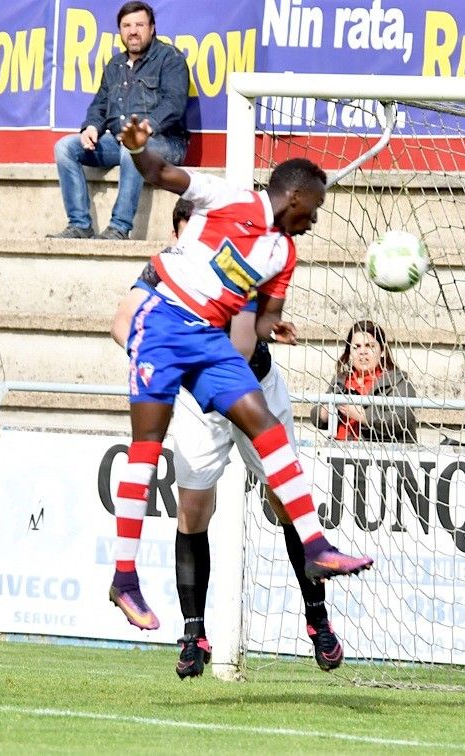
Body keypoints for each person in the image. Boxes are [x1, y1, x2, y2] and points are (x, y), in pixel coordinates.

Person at [106, 114, 373, 635]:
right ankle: (124, 577)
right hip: (162, 322)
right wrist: (138, 149)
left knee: (265, 424)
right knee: (146, 448)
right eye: (314, 210)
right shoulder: (227, 198)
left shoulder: (284, 252)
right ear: (295, 197)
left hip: (209, 339)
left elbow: (267, 314)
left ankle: (316, 546)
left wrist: (275, 329)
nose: (315, 221)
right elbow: (162, 173)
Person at [111, 200, 345, 679]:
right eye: (183, 231)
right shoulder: (163, 271)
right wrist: (158, 351)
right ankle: (193, 632)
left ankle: (316, 616)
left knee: (285, 502)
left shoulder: (238, 265)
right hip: (201, 406)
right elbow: (121, 326)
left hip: (252, 388)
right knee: (193, 509)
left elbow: (239, 346)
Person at [48, 2, 189, 241]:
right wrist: (91, 126)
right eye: (127, 26)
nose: (133, 31)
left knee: (132, 147)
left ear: (152, 28)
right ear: (120, 31)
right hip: (119, 141)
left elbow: (174, 103)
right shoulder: (114, 65)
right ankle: (80, 224)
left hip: (166, 143)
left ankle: (119, 228)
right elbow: (100, 105)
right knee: (65, 147)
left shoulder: (170, 58)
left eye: (139, 25)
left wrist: (148, 126)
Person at [311, 320, 418, 442]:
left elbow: (402, 419)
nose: (362, 352)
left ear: (382, 351)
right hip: (339, 452)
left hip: (382, 455)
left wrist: (362, 416)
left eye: (370, 346)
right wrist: (325, 412)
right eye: (357, 347)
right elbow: (317, 418)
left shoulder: (398, 380)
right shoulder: (341, 379)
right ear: (349, 351)